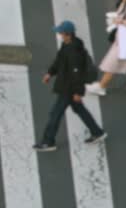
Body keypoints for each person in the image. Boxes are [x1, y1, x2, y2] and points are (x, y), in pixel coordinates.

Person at [34, 21, 107, 152]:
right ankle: (97, 132)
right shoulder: (66, 44)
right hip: (67, 85)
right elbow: (59, 61)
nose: (59, 34)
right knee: (79, 109)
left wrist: (78, 92)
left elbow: (77, 74)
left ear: (67, 34)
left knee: (55, 114)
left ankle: (48, 141)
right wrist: (50, 73)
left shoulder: (74, 51)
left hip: (69, 88)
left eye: (61, 32)